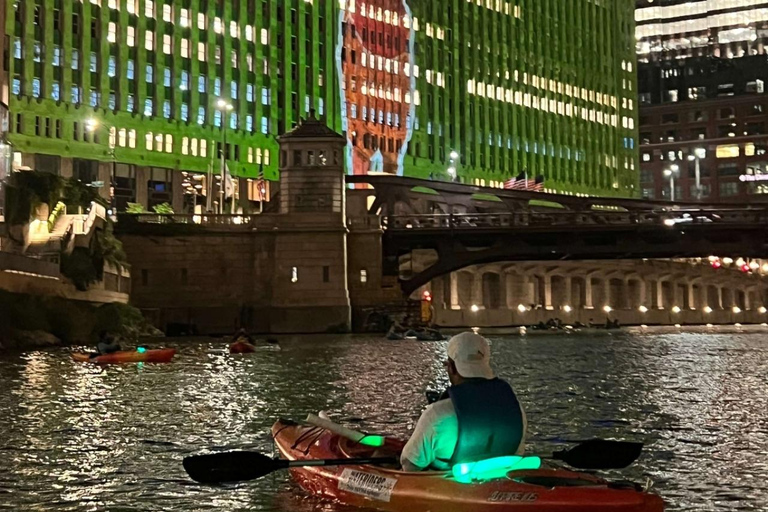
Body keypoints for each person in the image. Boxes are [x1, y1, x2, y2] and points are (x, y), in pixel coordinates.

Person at [400, 332, 527, 472]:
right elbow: (518, 453)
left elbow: (409, 466)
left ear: (452, 368)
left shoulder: (437, 414)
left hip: (449, 486)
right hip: (499, 479)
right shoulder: (516, 409)